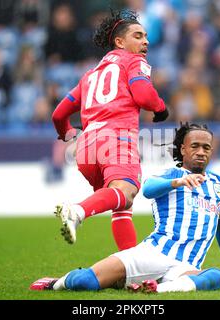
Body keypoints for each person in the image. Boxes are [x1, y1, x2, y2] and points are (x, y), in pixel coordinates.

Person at [30, 123, 220, 293]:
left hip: (185, 267)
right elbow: (148, 188)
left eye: (206, 147)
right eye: (195, 146)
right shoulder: (172, 175)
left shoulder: (218, 184)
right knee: (84, 283)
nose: (201, 151)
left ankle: (158, 289)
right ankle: (55, 283)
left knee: (216, 277)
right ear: (183, 149)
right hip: (152, 254)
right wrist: (177, 183)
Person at [51, 9, 169, 251]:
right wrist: (161, 108)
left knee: (121, 206)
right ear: (119, 42)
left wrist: (67, 134)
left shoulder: (90, 75)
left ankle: (129, 270)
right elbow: (145, 96)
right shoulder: (134, 61)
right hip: (115, 140)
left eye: (146, 36)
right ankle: (78, 211)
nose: (145, 41)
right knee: (125, 193)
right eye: (137, 36)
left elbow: (58, 114)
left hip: (85, 149)